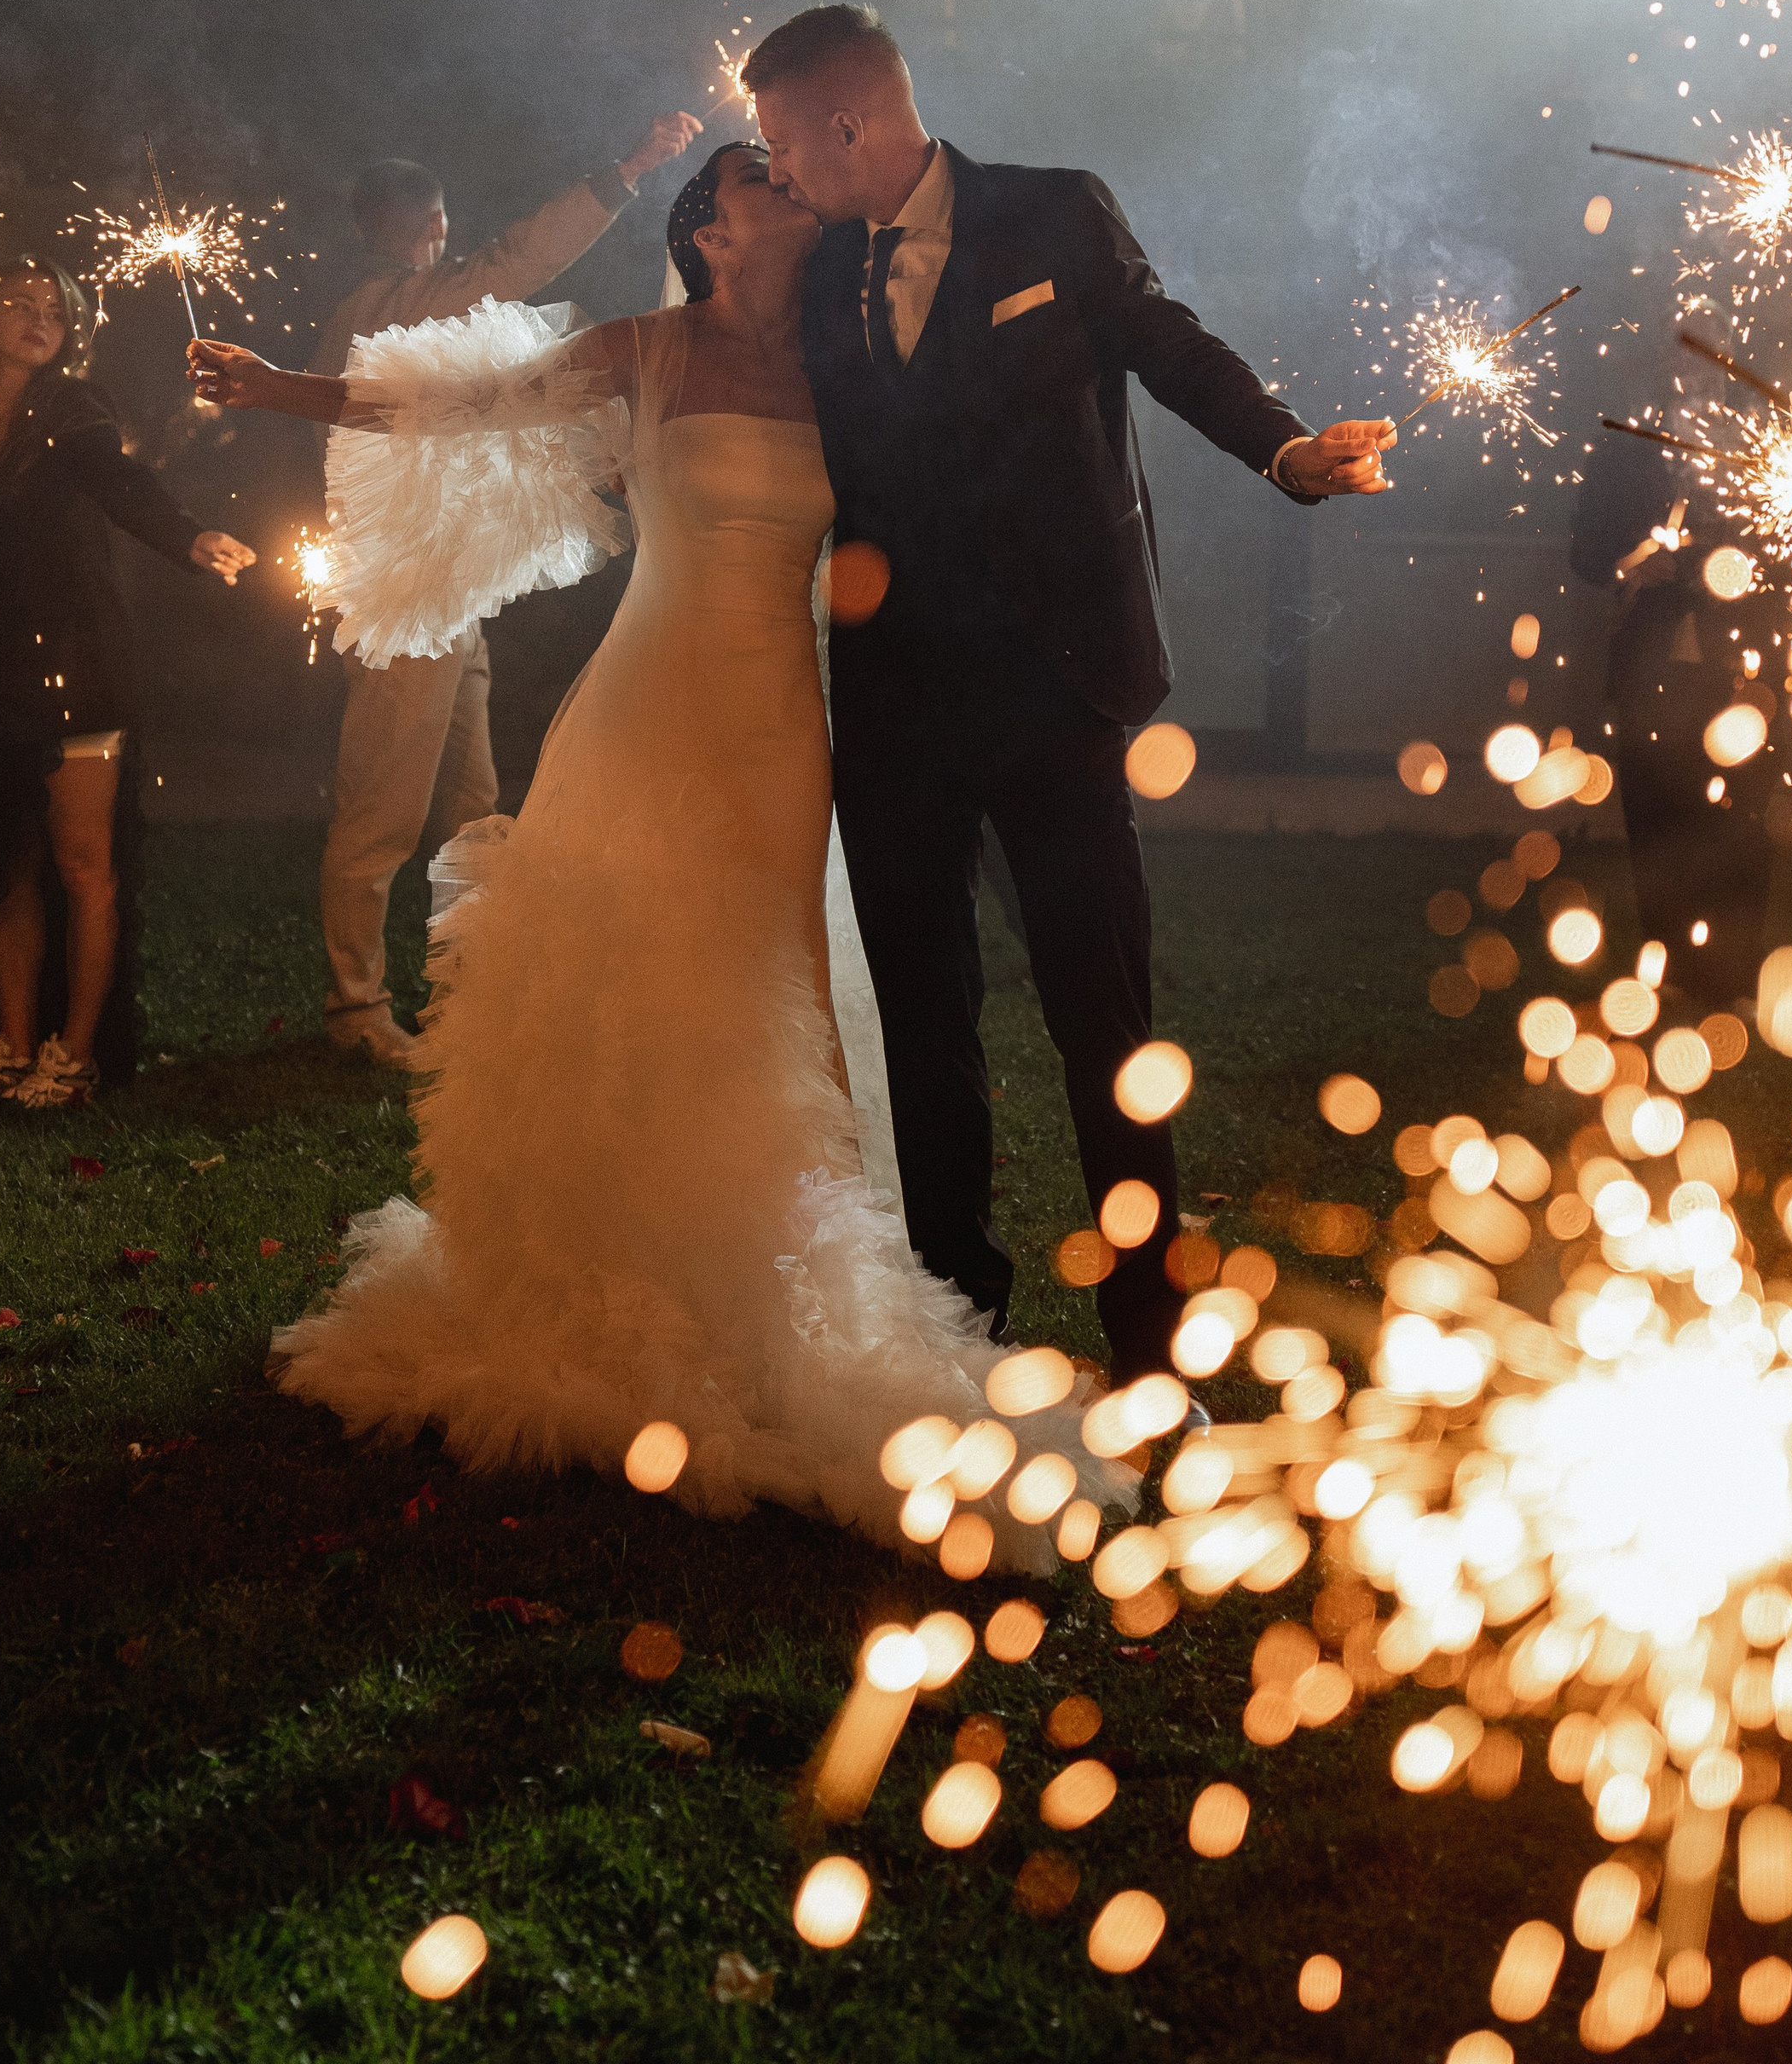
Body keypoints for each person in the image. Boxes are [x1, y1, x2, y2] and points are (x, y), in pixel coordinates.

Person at [185, 150, 1123, 1551]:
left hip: (791, 728)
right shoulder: (647, 349)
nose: (788, 184)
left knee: (768, 985)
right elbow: (458, 403)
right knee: (634, 979)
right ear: (709, 227)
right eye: (758, 176)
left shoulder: (853, 356)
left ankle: (769, 1276)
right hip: (647, 707)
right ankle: (620, 1262)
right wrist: (280, 386)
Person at [743, 3, 1393, 1382]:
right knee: (925, 1026)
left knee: (1102, 1024)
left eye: (783, 144)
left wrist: (1286, 452)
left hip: (1057, 686)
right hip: (893, 706)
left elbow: (1165, 344)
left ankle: (1151, 1346)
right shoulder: (813, 275)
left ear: (849, 124)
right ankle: (957, 1328)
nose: (778, 172)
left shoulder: (1052, 214)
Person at [310, 115, 702, 1065]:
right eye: (431, 224)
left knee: (472, 802)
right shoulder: (387, 303)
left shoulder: (419, 307)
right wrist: (628, 170)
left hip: (453, 587)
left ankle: (470, 991)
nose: (444, 238)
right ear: (398, 227)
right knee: (382, 812)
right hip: (411, 594)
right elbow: (513, 262)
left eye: (444, 224)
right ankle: (356, 1006)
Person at [0, 258, 255, 1108]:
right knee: (4, 865)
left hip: (75, 665)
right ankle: (12, 1048)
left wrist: (188, 538)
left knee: (83, 863)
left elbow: (119, 483)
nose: (37, 317)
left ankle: (77, 1052)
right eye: (19, 302)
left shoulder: (76, 414)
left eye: (55, 308)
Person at [1570, 377, 1772, 1009]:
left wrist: (1709, 570)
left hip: (1735, 673)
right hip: (1649, 672)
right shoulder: (1627, 453)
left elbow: (1784, 554)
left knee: (1735, 823)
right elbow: (1586, 550)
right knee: (1657, 822)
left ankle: (1732, 979)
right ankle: (1671, 972)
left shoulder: (1754, 451)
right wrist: (1633, 563)